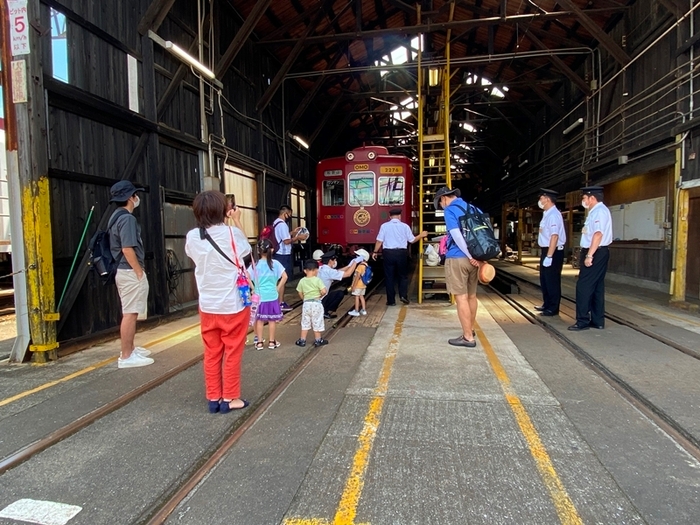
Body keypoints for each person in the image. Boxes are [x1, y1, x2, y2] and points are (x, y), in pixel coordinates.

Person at [185, 190, 251, 413]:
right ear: (223, 210)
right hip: (233, 305)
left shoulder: (193, 237)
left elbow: (194, 255)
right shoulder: (233, 234)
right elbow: (247, 251)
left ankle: (213, 397)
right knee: (232, 351)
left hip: (208, 306)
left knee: (212, 352)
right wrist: (237, 220)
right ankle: (231, 398)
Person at [108, 181, 154, 369]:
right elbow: (127, 248)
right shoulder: (127, 219)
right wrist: (139, 271)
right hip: (129, 270)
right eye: (135, 195)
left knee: (130, 311)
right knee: (130, 313)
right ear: (130, 198)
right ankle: (126, 356)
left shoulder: (115, 216)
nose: (137, 198)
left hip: (123, 269)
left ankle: (130, 349)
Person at [434, 186, 480, 348]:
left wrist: (468, 255)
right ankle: (470, 329)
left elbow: (455, 234)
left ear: (444, 198)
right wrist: (477, 258)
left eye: (440, 203)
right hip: (476, 259)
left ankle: (468, 337)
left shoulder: (450, 210)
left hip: (458, 258)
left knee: (460, 297)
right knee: (472, 297)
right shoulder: (474, 208)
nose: (441, 206)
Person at [569, 186, 613, 331]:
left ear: (592, 198)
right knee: (597, 287)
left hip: (595, 252)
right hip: (599, 251)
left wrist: (589, 255)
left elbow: (598, 234)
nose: (583, 201)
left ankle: (582, 321)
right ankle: (597, 320)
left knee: (583, 286)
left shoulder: (599, 212)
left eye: (584, 198)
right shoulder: (597, 211)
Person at [371, 208, 428, 306]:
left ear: (390, 216)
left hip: (388, 253)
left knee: (389, 277)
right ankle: (403, 296)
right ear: (399, 216)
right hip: (401, 253)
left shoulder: (384, 226)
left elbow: (379, 241)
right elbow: (412, 240)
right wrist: (421, 235)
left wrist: (375, 252)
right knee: (403, 276)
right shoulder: (405, 226)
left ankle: (391, 301)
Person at [249, 239, 287, 350]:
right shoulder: (276, 264)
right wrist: (278, 287)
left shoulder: (255, 265)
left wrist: (253, 288)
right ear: (271, 250)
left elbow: (246, 276)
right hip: (272, 296)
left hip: (259, 296)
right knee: (272, 320)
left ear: (259, 251)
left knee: (259, 320)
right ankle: (271, 342)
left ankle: (260, 343)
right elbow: (285, 277)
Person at [535, 188, 567, 316]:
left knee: (552, 279)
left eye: (541, 198)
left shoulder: (554, 215)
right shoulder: (547, 214)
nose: (540, 201)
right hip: (546, 250)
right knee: (544, 279)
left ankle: (553, 308)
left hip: (553, 251)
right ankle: (547, 304)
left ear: (547, 199)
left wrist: (549, 255)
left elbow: (554, 236)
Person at [273, 205, 305, 311]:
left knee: (278, 278)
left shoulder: (276, 222)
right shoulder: (282, 225)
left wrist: (292, 233)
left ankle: (277, 301)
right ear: (285, 213)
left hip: (277, 254)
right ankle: (280, 303)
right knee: (283, 278)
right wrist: (298, 237)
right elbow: (286, 241)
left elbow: (283, 237)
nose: (290, 216)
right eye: (289, 214)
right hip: (282, 254)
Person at [313, 249, 361, 319]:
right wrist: (355, 262)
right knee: (340, 294)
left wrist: (348, 266)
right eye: (334, 260)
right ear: (330, 261)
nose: (335, 262)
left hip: (314, 299)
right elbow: (348, 274)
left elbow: (337, 271)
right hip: (320, 300)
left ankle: (322, 311)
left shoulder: (321, 268)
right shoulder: (329, 271)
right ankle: (324, 311)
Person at [295, 260, 328, 347]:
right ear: (316, 270)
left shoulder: (302, 281)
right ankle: (318, 340)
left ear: (305, 271)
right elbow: (324, 291)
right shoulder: (317, 280)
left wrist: (304, 299)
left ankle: (302, 340)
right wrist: (320, 296)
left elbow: (299, 292)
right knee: (317, 321)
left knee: (305, 322)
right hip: (316, 304)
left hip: (306, 304)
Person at [348, 249, 371, 317]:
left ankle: (356, 311)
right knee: (362, 297)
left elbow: (357, 277)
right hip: (363, 285)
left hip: (358, 285)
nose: (356, 257)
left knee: (356, 297)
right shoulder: (366, 265)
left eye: (358, 256)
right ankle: (363, 310)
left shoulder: (360, 266)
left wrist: (353, 286)